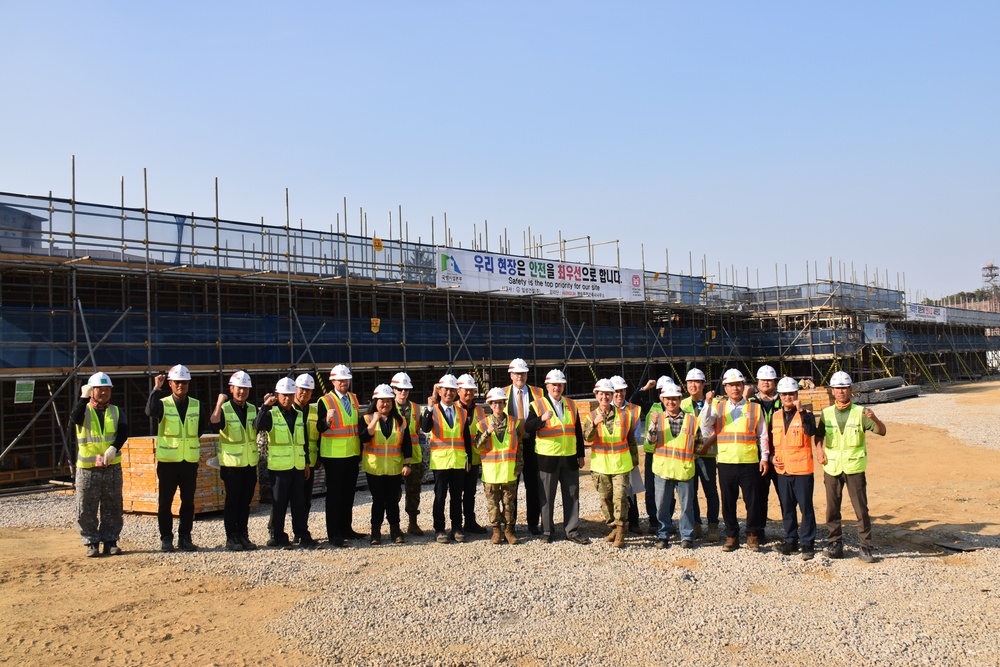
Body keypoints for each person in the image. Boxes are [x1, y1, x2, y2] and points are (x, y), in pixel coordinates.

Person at [815, 371, 887, 563]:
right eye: (837, 388)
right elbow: (819, 435)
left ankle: (865, 547)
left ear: (850, 390)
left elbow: (882, 432)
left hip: (854, 467)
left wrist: (875, 418)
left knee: (861, 509)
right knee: (832, 508)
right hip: (832, 466)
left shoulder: (860, 413)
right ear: (832, 391)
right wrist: (819, 451)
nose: (841, 392)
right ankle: (835, 544)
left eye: (844, 388)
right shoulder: (826, 413)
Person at [699, 368, 769, 552]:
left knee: (752, 501)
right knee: (728, 501)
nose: (735, 388)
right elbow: (706, 423)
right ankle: (732, 535)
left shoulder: (754, 408)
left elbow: (762, 434)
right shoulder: (719, 407)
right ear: (725, 388)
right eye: (730, 385)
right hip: (726, 461)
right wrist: (707, 404)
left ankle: (752, 535)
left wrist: (765, 458)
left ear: (743, 386)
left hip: (749, 461)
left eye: (738, 384)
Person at [146, 364, 214, 553]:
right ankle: (166, 538)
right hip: (168, 462)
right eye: (177, 382)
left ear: (188, 384)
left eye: (184, 382)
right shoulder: (163, 402)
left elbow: (200, 429)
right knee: (165, 502)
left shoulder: (196, 404)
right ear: (170, 384)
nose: (181, 386)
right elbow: (150, 412)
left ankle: (185, 538)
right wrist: (156, 389)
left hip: (189, 462)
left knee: (188, 502)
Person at [524, 369, 590, 545]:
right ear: (547, 386)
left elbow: (576, 430)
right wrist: (541, 419)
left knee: (572, 494)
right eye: (554, 385)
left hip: (569, 457)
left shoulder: (572, 404)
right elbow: (528, 427)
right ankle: (547, 530)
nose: (557, 388)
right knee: (546, 496)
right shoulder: (537, 405)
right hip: (547, 458)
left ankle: (572, 530)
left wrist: (581, 455)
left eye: (560, 385)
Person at [72, 371, 128, 557]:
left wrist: (114, 448)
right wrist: (82, 397)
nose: (104, 393)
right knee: (86, 506)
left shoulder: (116, 411)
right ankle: (91, 542)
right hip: (88, 468)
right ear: (91, 391)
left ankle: (111, 541)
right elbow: (74, 418)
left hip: (111, 467)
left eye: (107, 389)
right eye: (99, 389)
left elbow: (123, 432)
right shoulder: (84, 409)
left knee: (112, 505)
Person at [254, 378, 315, 549]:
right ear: (277, 395)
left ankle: (302, 534)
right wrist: (265, 406)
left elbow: (303, 441)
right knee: (279, 504)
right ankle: (278, 536)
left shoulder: (299, 414)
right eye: (283, 395)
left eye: (289, 395)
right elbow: (258, 426)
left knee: (299, 503)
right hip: (279, 468)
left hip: (297, 466)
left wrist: (307, 462)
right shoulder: (271, 414)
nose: (287, 399)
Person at [584, 379, 639, 548]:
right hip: (601, 466)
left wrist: (634, 461)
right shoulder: (591, 416)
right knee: (605, 500)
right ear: (597, 395)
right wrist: (594, 424)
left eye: (608, 394)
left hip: (620, 465)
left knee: (620, 499)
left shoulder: (625, 415)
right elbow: (586, 438)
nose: (605, 397)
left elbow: (631, 440)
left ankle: (621, 531)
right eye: (601, 394)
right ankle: (613, 526)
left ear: (612, 395)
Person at [419, 374, 473, 544]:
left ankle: (457, 528)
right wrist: (429, 406)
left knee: (457, 496)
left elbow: (465, 438)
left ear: (456, 392)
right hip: (441, 461)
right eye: (446, 389)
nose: (449, 393)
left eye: (452, 390)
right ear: (440, 391)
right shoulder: (432, 411)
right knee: (440, 496)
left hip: (458, 460)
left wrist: (469, 459)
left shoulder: (462, 413)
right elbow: (425, 428)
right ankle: (440, 529)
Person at [210, 370, 259, 552]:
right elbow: (214, 423)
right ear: (231, 389)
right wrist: (219, 402)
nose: (242, 392)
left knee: (245, 502)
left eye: (245, 389)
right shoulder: (224, 408)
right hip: (231, 466)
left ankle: (244, 535)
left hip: (248, 464)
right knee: (232, 502)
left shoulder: (253, 409)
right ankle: (232, 537)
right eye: (239, 388)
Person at [645, 381, 699, 549]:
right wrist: (653, 424)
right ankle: (663, 536)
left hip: (684, 471)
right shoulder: (658, 419)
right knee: (661, 506)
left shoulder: (691, 420)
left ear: (679, 399)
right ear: (662, 399)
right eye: (667, 399)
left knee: (686, 507)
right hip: (663, 470)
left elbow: (699, 445)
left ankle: (687, 536)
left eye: (674, 399)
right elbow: (649, 441)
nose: (670, 402)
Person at [771, 377, 819, 560]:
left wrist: (802, 411)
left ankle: (807, 544)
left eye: (791, 394)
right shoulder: (775, 416)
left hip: (802, 471)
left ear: (797, 395)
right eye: (784, 394)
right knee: (787, 508)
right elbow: (773, 442)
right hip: (782, 470)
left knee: (805, 508)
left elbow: (811, 432)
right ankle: (791, 541)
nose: (787, 397)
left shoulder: (806, 414)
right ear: (780, 396)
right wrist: (770, 457)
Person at [470, 387, 525, 545]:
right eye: (495, 403)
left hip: (509, 471)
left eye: (501, 403)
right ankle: (496, 531)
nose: (498, 406)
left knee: (509, 504)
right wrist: (487, 432)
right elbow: (477, 446)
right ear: (490, 404)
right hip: (491, 473)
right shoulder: (483, 424)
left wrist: (519, 465)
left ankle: (509, 531)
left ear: (504, 404)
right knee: (493, 504)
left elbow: (519, 447)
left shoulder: (514, 422)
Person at [316, 364, 362, 547]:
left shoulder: (354, 399)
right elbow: (319, 427)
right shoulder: (325, 401)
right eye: (340, 379)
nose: (343, 382)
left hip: (351, 453)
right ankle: (334, 533)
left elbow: (356, 425)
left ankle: (346, 528)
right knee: (334, 496)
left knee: (349, 494)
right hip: (333, 456)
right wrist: (327, 419)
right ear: (333, 381)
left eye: (346, 379)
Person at [361, 384, 413, 545]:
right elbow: (363, 438)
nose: (385, 404)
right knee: (378, 500)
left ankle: (395, 530)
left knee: (392, 500)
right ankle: (375, 532)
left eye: (389, 401)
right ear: (375, 402)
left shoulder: (400, 420)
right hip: (374, 468)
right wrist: (374, 420)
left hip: (394, 467)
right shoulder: (367, 419)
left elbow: (407, 443)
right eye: (382, 401)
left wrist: (407, 464)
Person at [503, 358, 545, 535]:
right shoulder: (503, 393)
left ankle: (533, 523)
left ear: (527, 375)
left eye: (523, 373)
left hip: (533, 444)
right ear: (511, 375)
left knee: (533, 485)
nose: (520, 376)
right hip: (511, 445)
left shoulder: (539, 393)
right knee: (510, 487)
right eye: (516, 373)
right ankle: (510, 524)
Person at [683, 368, 719, 543]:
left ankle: (713, 525)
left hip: (708, 455)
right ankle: (696, 524)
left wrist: (707, 445)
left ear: (704, 384)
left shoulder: (716, 403)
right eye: (690, 382)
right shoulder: (682, 404)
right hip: (689, 455)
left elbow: (721, 428)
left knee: (710, 491)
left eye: (696, 382)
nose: (693, 385)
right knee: (691, 492)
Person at [747, 364, 782, 544]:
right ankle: (758, 530)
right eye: (763, 380)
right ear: (757, 382)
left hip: (780, 455)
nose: (766, 383)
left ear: (774, 382)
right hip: (758, 455)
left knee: (785, 495)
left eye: (769, 380)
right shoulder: (751, 403)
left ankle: (790, 531)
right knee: (759, 495)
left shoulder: (783, 401)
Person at [633, 375, 672, 533]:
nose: (665, 397)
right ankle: (653, 521)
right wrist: (644, 388)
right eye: (662, 393)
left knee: (668, 489)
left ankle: (667, 519)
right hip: (653, 454)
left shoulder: (677, 407)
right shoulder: (652, 406)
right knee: (651, 489)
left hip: (670, 454)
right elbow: (634, 401)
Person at [391, 372, 425, 536]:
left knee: (414, 491)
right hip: (394, 457)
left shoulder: (416, 408)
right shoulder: (388, 407)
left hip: (415, 457)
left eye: (406, 389)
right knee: (393, 493)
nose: (403, 392)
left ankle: (413, 523)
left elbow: (419, 430)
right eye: (400, 389)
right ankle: (395, 525)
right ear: (393, 390)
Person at [610, 375, 643, 534]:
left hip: (627, 456)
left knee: (630, 491)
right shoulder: (604, 408)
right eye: (616, 391)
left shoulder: (634, 409)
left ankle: (633, 521)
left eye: (622, 391)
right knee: (611, 491)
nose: (619, 394)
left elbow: (636, 435)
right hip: (608, 457)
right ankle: (614, 524)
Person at [456, 373, 487, 534]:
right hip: (457, 458)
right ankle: (457, 525)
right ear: (458, 391)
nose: (469, 394)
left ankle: (470, 522)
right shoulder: (453, 408)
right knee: (456, 493)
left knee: (470, 493)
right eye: (465, 391)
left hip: (474, 458)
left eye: (471, 391)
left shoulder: (480, 411)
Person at [293, 373, 320, 544]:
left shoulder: (315, 411)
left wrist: (317, 460)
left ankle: (301, 532)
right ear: (295, 389)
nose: (304, 393)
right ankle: (274, 531)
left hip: (310, 462)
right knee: (283, 499)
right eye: (302, 389)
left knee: (305, 500)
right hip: (291, 462)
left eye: (308, 390)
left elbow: (319, 436)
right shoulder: (288, 409)